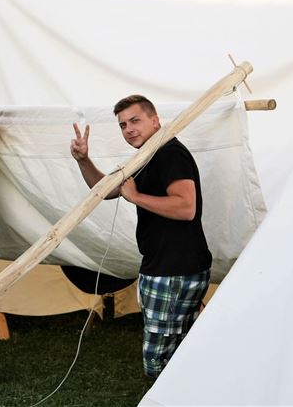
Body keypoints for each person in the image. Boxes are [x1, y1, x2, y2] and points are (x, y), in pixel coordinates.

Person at [70, 95, 212, 379]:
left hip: (173, 271)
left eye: (135, 120)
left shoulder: (169, 153)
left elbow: (186, 208)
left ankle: (169, 394)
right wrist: (84, 160)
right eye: (123, 125)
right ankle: (188, 391)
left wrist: (136, 197)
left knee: (157, 363)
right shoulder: (147, 154)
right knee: (183, 349)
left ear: (155, 120)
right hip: (172, 267)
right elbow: (109, 190)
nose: (129, 129)